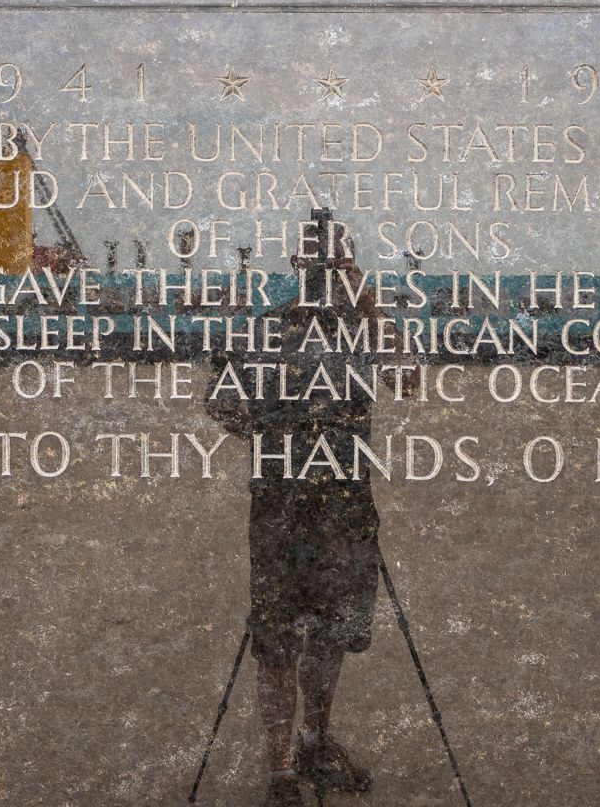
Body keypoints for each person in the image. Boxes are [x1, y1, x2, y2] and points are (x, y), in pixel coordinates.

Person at [204, 209, 404, 807]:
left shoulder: (361, 329)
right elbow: (220, 401)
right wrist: (276, 439)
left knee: (330, 635)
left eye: (337, 261)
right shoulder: (267, 330)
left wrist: (366, 299)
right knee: (277, 642)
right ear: (297, 263)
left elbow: (407, 379)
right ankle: (283, 770)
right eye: (322, 261)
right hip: (285, 512)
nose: (327, 271)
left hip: (341, 511)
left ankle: (313, 744)